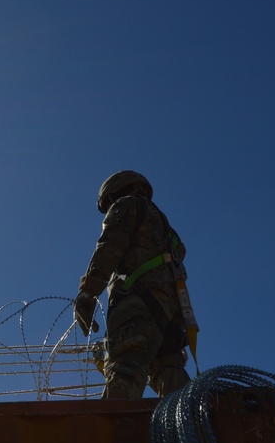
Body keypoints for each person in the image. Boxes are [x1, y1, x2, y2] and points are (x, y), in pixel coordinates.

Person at [73, 170, 191, 399]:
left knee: (125, 367)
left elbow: (110, 247)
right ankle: (186, 426)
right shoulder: (166, 228)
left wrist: (88, 292)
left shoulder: (127, 206)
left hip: (138, 302)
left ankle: (115, 428)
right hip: (171, 309)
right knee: (170, 372)